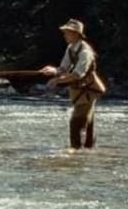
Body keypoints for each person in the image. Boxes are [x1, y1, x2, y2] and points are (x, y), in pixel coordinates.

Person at [41, 19, 104, 149]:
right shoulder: (71, 48)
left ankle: (75, 152)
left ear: (76, 34)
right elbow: (63, 68)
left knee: (76, 122)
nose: (64, 35)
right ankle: (88, 152)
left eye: (67, 32)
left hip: (89, 90)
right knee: (88, 123)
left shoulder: (85, 52)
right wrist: (53, 71)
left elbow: (77, 75)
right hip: (79, 90)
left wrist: (57, 80)